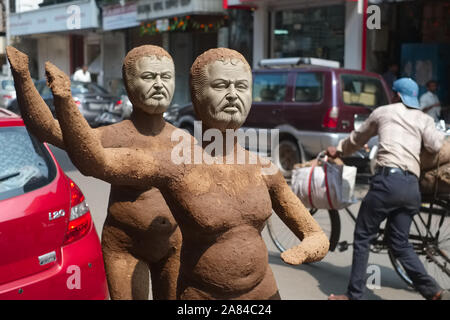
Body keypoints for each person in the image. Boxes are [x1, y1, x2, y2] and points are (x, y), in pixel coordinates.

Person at [45, 47, 330, 299]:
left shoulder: (265, 168)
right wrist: (65, 101)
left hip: (265, 293)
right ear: (196, 95)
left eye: (241, 86)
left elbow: (315, 234)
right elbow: (97, 162)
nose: (233, 95)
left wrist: (308, 247)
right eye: (221, 85)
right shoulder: (175, 163)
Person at [7, 45, 182, 300]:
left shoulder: (184, 141)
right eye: (148, 77)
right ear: (129, 84)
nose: (158, 84)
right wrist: (24, 78)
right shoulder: (117, 134)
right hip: (126, 247)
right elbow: (49, 129)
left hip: (173, 245)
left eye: (165, 77)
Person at [326, 78, 449, 300]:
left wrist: (340, 150)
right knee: (399, 242)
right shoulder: (423, 118)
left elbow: (358, 138)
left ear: (396, 95)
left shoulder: (383, 112)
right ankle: (432, 291)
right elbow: (436, 145)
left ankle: (354, 295)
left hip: (386, 183)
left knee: (363, 237)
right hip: (412, 187)